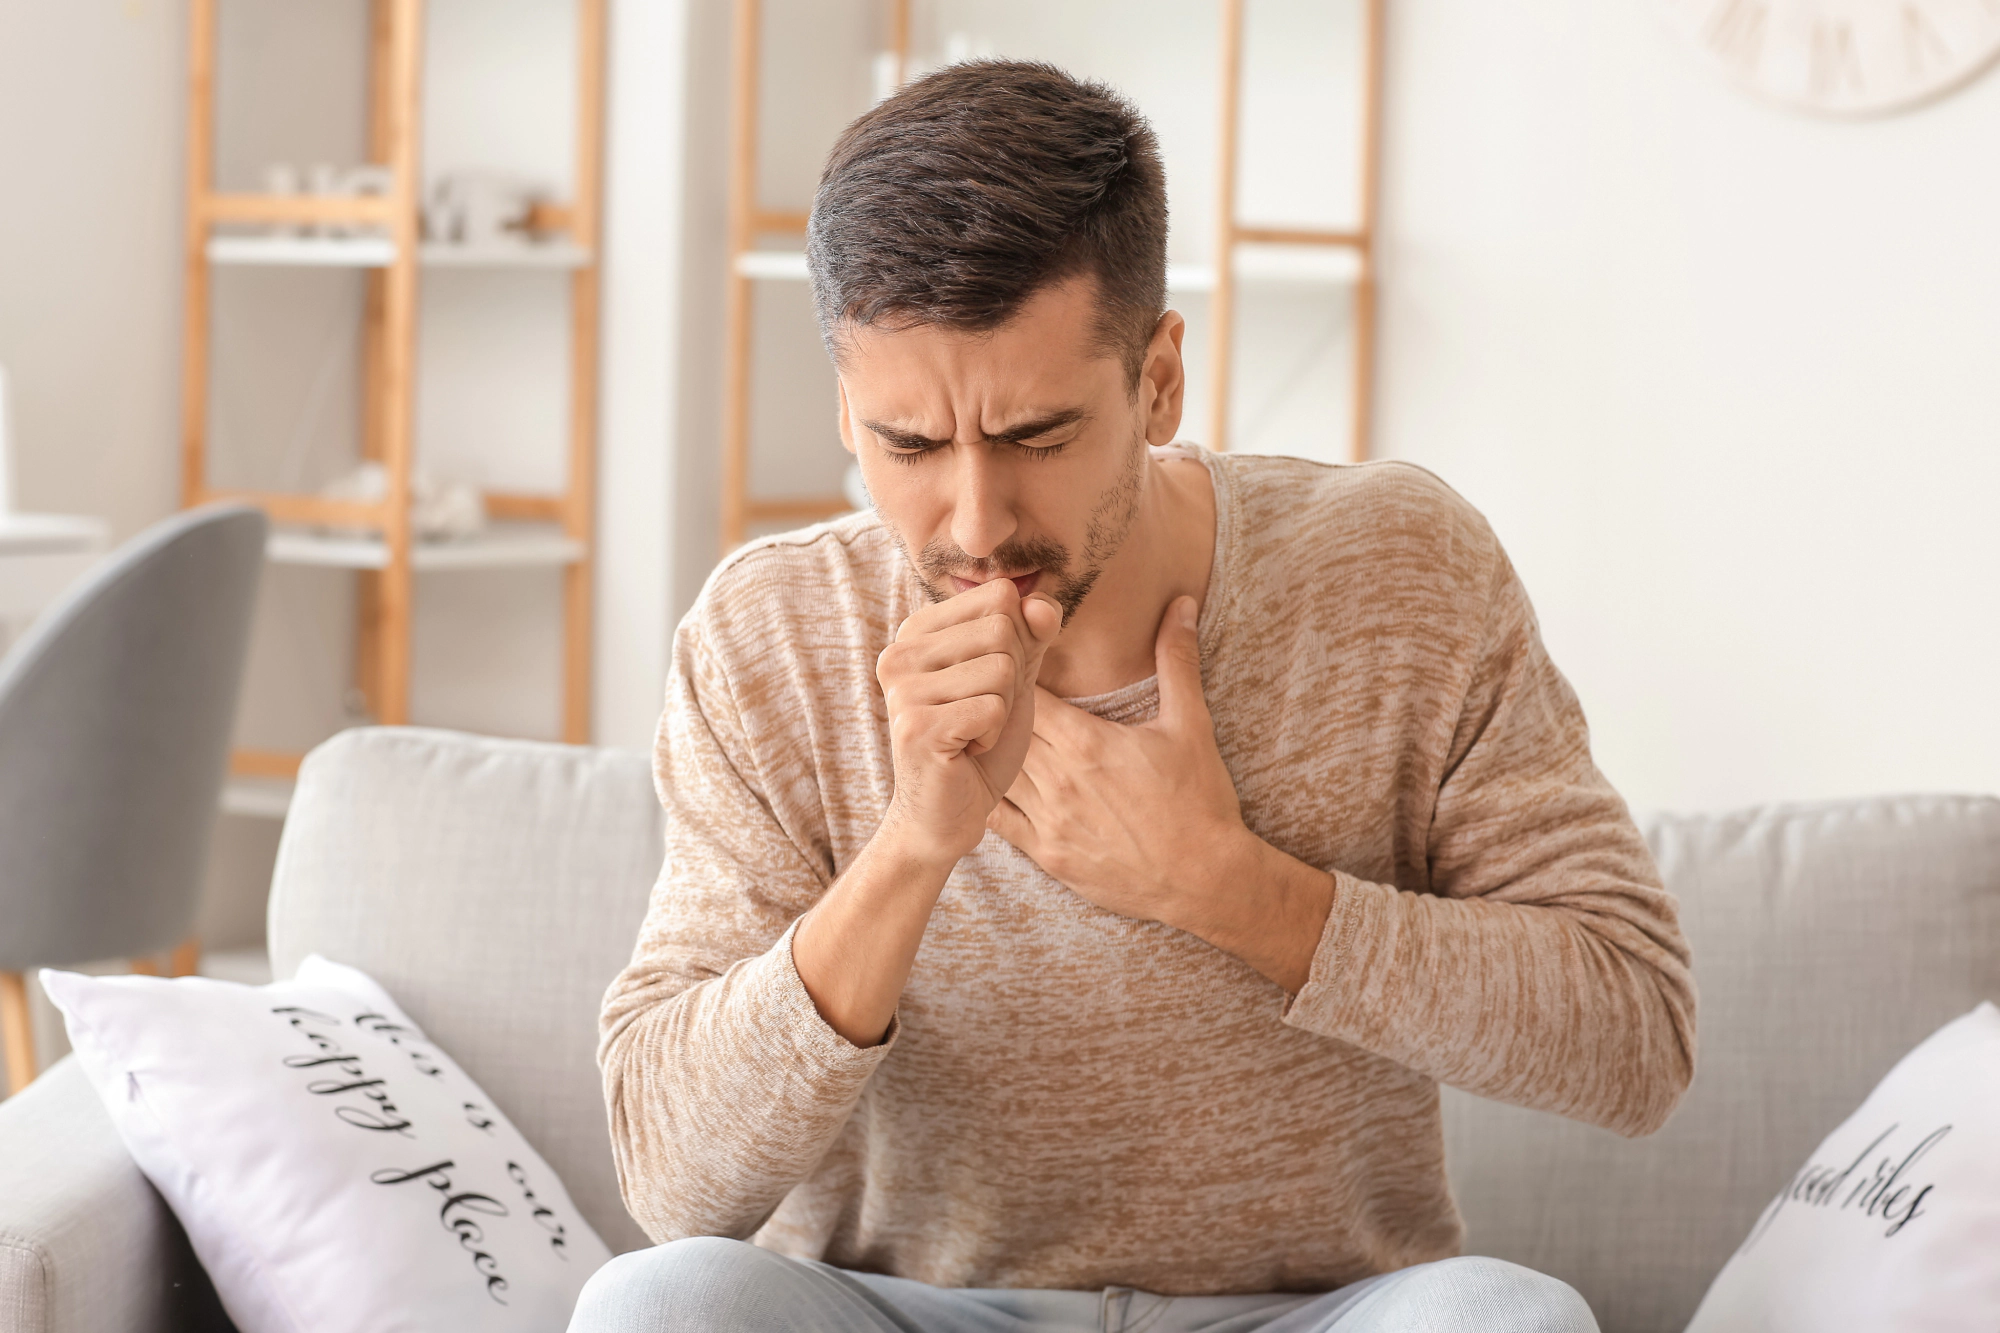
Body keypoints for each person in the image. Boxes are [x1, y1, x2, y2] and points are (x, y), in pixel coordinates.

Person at [578, 60, 1695, 1333]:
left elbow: (1634, 1038)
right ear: (845, 400)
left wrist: (1222, 885)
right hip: (899, 1310)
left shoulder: (1398, 567)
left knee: (1509, 1318)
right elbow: (672, 1180)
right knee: (658, 1305)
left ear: (1157, 379)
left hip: (1313, 1312)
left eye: (1036, 437)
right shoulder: (770, 631)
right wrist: (913, 845)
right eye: (908, 444)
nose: (974, 518)